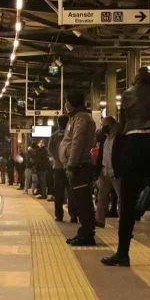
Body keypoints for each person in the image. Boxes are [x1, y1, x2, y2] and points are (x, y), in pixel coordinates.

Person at [103, 67, 150, 268]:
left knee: (127, 201)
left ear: (135, 81)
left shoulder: (127, 95)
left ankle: (123, 253)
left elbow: (123, 127)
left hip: (133, 147)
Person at [60, 92, 97, 246]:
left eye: (66, 102)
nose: (65, 106)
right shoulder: (76, 118)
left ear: (72, 103)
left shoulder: (81, 119)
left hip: (79, 167)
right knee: (81, 202)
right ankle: (84, 232)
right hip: (77, 166)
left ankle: (87, 235)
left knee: (83, 202)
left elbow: (77, 142)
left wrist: (71, 164)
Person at [95, 116, 121, 228]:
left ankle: (124, 221)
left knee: (122, 197)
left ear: (112, 125)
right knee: (101, 196)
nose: (103, 128)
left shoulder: (120, 139)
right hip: (105, 172)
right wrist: (99, 169)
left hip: (116, 173)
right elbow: (101, 155)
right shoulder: (104, 139)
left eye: (105, 125)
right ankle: (99, 220)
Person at [49, 115, 71, 221]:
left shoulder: (54, 135)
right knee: (72, 192)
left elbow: (50, 150)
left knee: (58, 192)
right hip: (70, 167)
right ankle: (74, 215)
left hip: (58, 167)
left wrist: (57, 160)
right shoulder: (71, 134)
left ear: (58, 123)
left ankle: (59, 215)